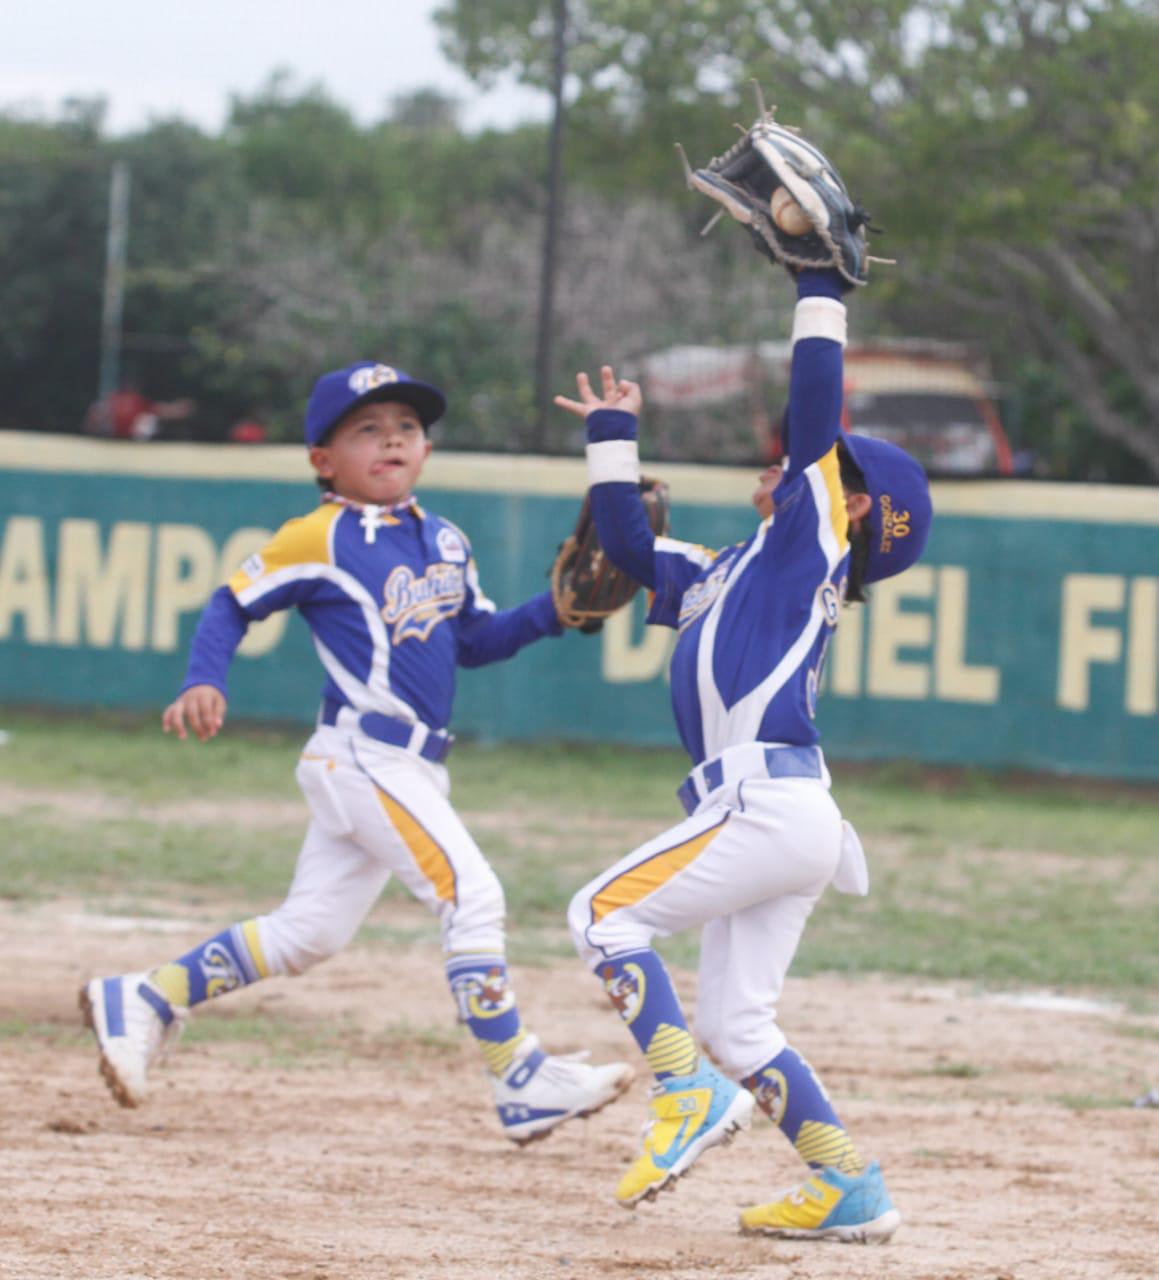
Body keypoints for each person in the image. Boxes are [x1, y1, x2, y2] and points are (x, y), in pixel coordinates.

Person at [80, 360, 633, 1142]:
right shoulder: (319, 535)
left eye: (406, 427)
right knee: (471, 895)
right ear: (321, 461)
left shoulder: (444, 538)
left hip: (412, 766)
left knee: (309, 933)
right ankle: (520, 1076)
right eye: (366, 429)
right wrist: (204, 678)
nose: (391, 440)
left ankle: (145, 995)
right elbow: (230, 602)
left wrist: (555, 610)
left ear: (427, 450)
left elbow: (472, 640)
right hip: (362, 754)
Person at [553, 265, 932, 1239]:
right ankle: (849, 1182)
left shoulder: (809, 544)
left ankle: (684, 1091)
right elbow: (634, 552)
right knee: (737, 1024)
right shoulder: (740, 568)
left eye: (823, 465)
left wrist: (818, 285)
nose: (796, 459)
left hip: (763, 803)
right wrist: (611, 438)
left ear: (843, 509)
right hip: (784, 814)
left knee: (599, 915)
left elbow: (813, 408)